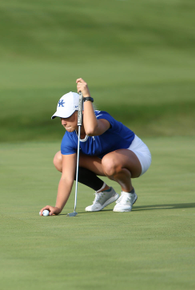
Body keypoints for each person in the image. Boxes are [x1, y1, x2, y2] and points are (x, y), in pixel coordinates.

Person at [40, 78, 152, 216]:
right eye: (60, 118)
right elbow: (67, 177)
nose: (63, 122)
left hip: (136, 156)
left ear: (80, 113)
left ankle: (129, 193)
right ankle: (105, 192)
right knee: (60, 159)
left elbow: (92, 130)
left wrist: (87, 97)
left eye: (67, 116)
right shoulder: (69, 138)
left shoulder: (102, 118)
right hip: (106, 161)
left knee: (109, 161)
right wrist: (58, 207)